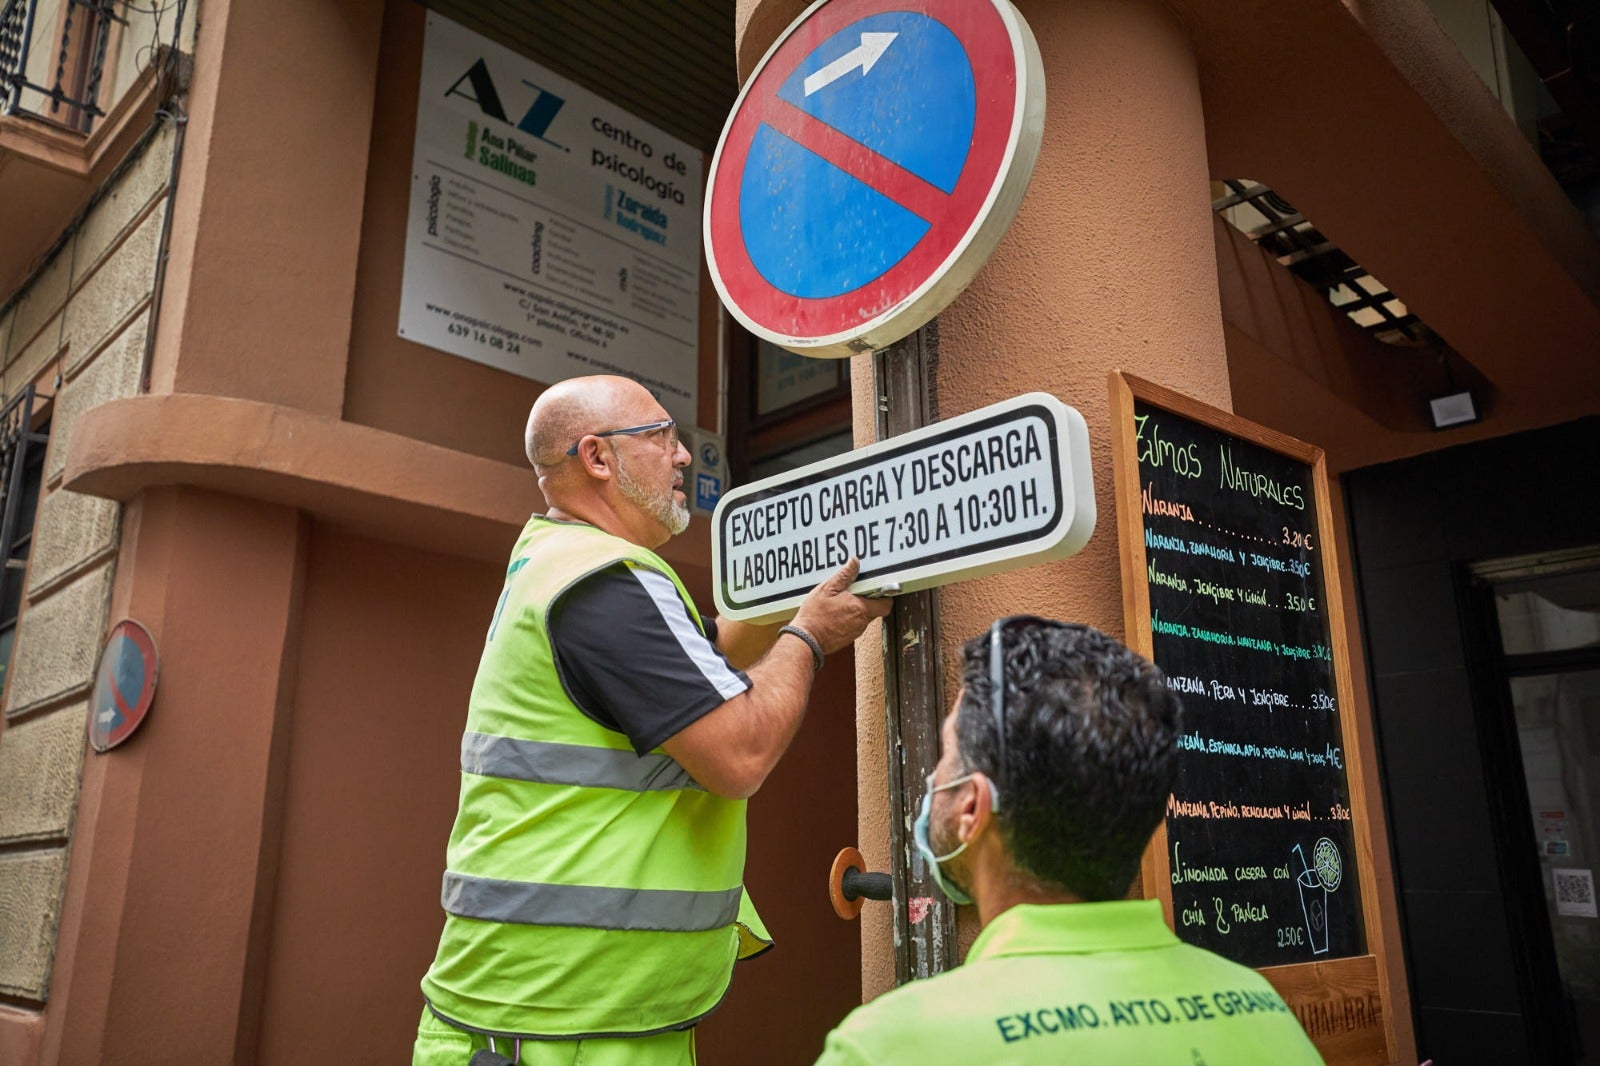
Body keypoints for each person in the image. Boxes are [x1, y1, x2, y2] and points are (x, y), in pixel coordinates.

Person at [415, 375, 892, 1065]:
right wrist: (810, 638)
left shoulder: (561, 563)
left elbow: (715, 646)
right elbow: (741, 754)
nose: (682, 457)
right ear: (598, 458)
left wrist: (790, 597)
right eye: (660, 435)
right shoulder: (604, 582)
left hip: (576, 1016)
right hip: (558, 1030)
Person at [815, 617, 1325, 1065]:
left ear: (973, 807)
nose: (932, 780)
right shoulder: (1262, 1008)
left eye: (947, 753)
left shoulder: (886, 1047)